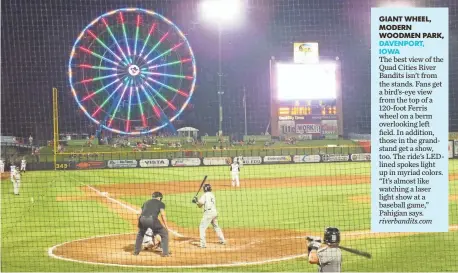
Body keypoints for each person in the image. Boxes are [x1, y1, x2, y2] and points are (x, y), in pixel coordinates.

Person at [133, 192, 170, 256]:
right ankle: (165, 253)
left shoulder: (146, 202)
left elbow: (138, 213)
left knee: (140, 234)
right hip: (152, 220)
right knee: (164, 233)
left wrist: (140, 222)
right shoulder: (161, 203)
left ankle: (136, 252)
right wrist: (166, 227)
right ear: (159, 198)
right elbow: (163, 215)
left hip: (142, 219)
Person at [192, 184, 226, 248]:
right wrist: (196, 202)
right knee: (216, 226)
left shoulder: (205, 195)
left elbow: (200, 204)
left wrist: (196, 201)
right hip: (214, 212)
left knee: (202, 227)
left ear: (204, 189)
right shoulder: (212, 195)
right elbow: (200, 205)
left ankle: (203, 244)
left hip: (208, 213)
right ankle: (222, 240)